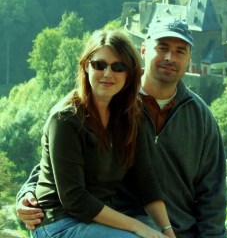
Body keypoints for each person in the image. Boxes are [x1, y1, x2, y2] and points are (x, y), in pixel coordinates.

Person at [17, 18, 227, 237]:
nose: (169, 57)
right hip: (115, 222)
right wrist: (27, 193)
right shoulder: (102, 101)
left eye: (180, 51)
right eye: (162, 48)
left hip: (171, 229)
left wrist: (170, 232)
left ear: (189, 58)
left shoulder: (198, 118)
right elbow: (54, 166)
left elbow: (212, 193)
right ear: (144, 50)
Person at [22, 29, 176, 238]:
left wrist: (167, 231)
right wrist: (137, 227)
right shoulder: (66, 119)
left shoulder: (130, 116)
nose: (107, 74)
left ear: (129, 73)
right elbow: (74, 198)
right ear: (86, 66)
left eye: (118, 67)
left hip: (101, 219)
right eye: (99, 65)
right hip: (60, 222)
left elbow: (146, 183)